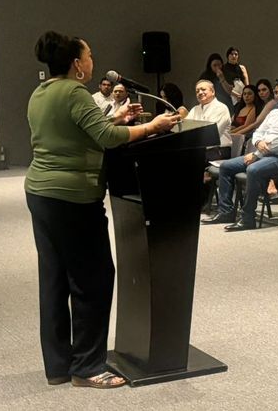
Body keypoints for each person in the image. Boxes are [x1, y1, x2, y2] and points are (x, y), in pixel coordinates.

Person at [25, 31, 180, 389]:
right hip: (73, 200)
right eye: (90, 55)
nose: (94, 61)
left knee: (54, 280)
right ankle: (89, 366)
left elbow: (77, 133)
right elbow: (107, 139)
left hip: (41, 194)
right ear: (77, 64)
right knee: (93, 280)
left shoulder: (41, 92)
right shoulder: (75, 92)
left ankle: (59, 367)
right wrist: (151, 126)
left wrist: (119, 118)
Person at [203, 80, 278, 231]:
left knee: (253, 169)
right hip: (263, 154)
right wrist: (259, 141)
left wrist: (256, 154)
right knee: (226, 166)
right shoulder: (274, 112)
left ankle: (248, 219)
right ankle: (226, 212)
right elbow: (259, 131)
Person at [186, 80, 233, 161]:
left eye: (203, 89)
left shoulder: (221, 108)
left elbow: (211, 135)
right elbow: (186, 130)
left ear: (213, 91)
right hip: (198, 149)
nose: (200, 92)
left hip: (218, 151)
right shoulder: (195, 109)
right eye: (197, 91)